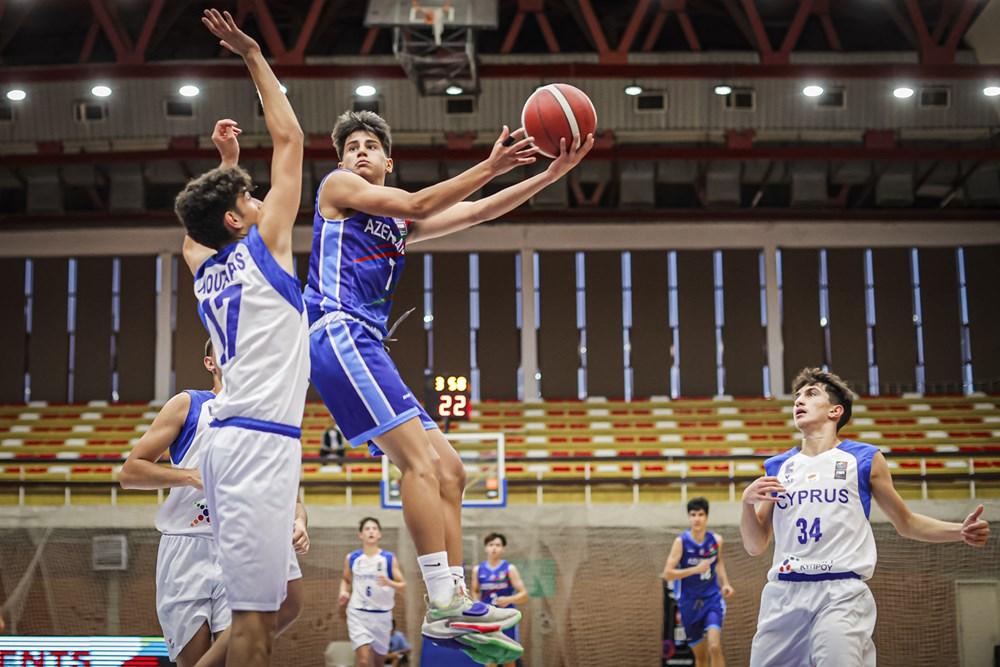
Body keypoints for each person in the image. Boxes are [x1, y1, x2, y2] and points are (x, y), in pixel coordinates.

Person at [304, 107, 593, 664]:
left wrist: (548, 176)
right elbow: (417, 202)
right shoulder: (337, 187)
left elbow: (478, 212)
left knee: (454, 471)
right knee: (420, 466)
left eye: (370, 146)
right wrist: (491, 163)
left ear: (390, 160)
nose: (360, 152)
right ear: (342, 162)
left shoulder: (395, 224)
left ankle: (455, 598)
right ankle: (442, 599)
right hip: (339, 331)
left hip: (367, 342)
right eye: (351, 146)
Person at [173, 9, 309, 666]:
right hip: (258, 443)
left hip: (236, 442)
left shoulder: (207, 269)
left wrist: (224, 164)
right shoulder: (266, 248)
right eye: (249, 196)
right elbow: (291, 138)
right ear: (238, 218)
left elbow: (192, 236)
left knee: (259, 614)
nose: (263, 200)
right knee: (256, 625)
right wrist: (252, 53)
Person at [741, 367, 991, 666]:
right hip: (783, 592)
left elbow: (907, 522)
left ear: (835, 411)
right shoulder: (778, 466)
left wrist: (958, 531)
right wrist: (746, 503)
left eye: (810, 394)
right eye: (796, 396)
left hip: (840, 592)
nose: (798, 401)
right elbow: (756, 545)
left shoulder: (863, 458)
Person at [119, 340, 310, 666]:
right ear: (210, 363)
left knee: (241, 651)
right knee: (192, 658)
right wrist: (191, 476)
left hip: (238, 545)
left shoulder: (260, 411)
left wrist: (300, 520)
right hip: (185, 544)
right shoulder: (188, 404)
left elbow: (285, 485)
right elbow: (130, 472)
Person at [661, 498, 733, 667]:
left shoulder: (716, 540)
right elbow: (667, 573)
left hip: (712, 599)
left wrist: (726, 583)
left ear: (706, 517)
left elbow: (719, 561)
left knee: (714, 646)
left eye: (700, 514)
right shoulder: (681, 542)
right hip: (689, 602)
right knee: (700, 658)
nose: (697, 518)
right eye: (693, 515)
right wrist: (694, 570)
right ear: (689, 517)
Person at [338, 517, 406, 667]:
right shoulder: (353, 558)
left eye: (374, 529)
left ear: (379, 534)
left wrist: (389, 583)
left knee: (378, 663)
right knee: (363, 660)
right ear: (360, 535)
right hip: (358, 614)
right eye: (367, 529)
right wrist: (343, 592)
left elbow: (403, 586)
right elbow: (346, 579)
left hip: (382, 616)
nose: (371, 531)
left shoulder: (388, 559)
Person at [471, 533, 529, 667]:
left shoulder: (509, 569)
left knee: (508, 657)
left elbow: (524, 594)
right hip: (488, 619)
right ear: (485, 548)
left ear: (503, 548)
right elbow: (474, 591)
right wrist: (477, 605)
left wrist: (509, 599)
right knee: (490, 657)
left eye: (498, 545)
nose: (494, 548)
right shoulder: (478, 570)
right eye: (491, 545)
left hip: (506, 619)